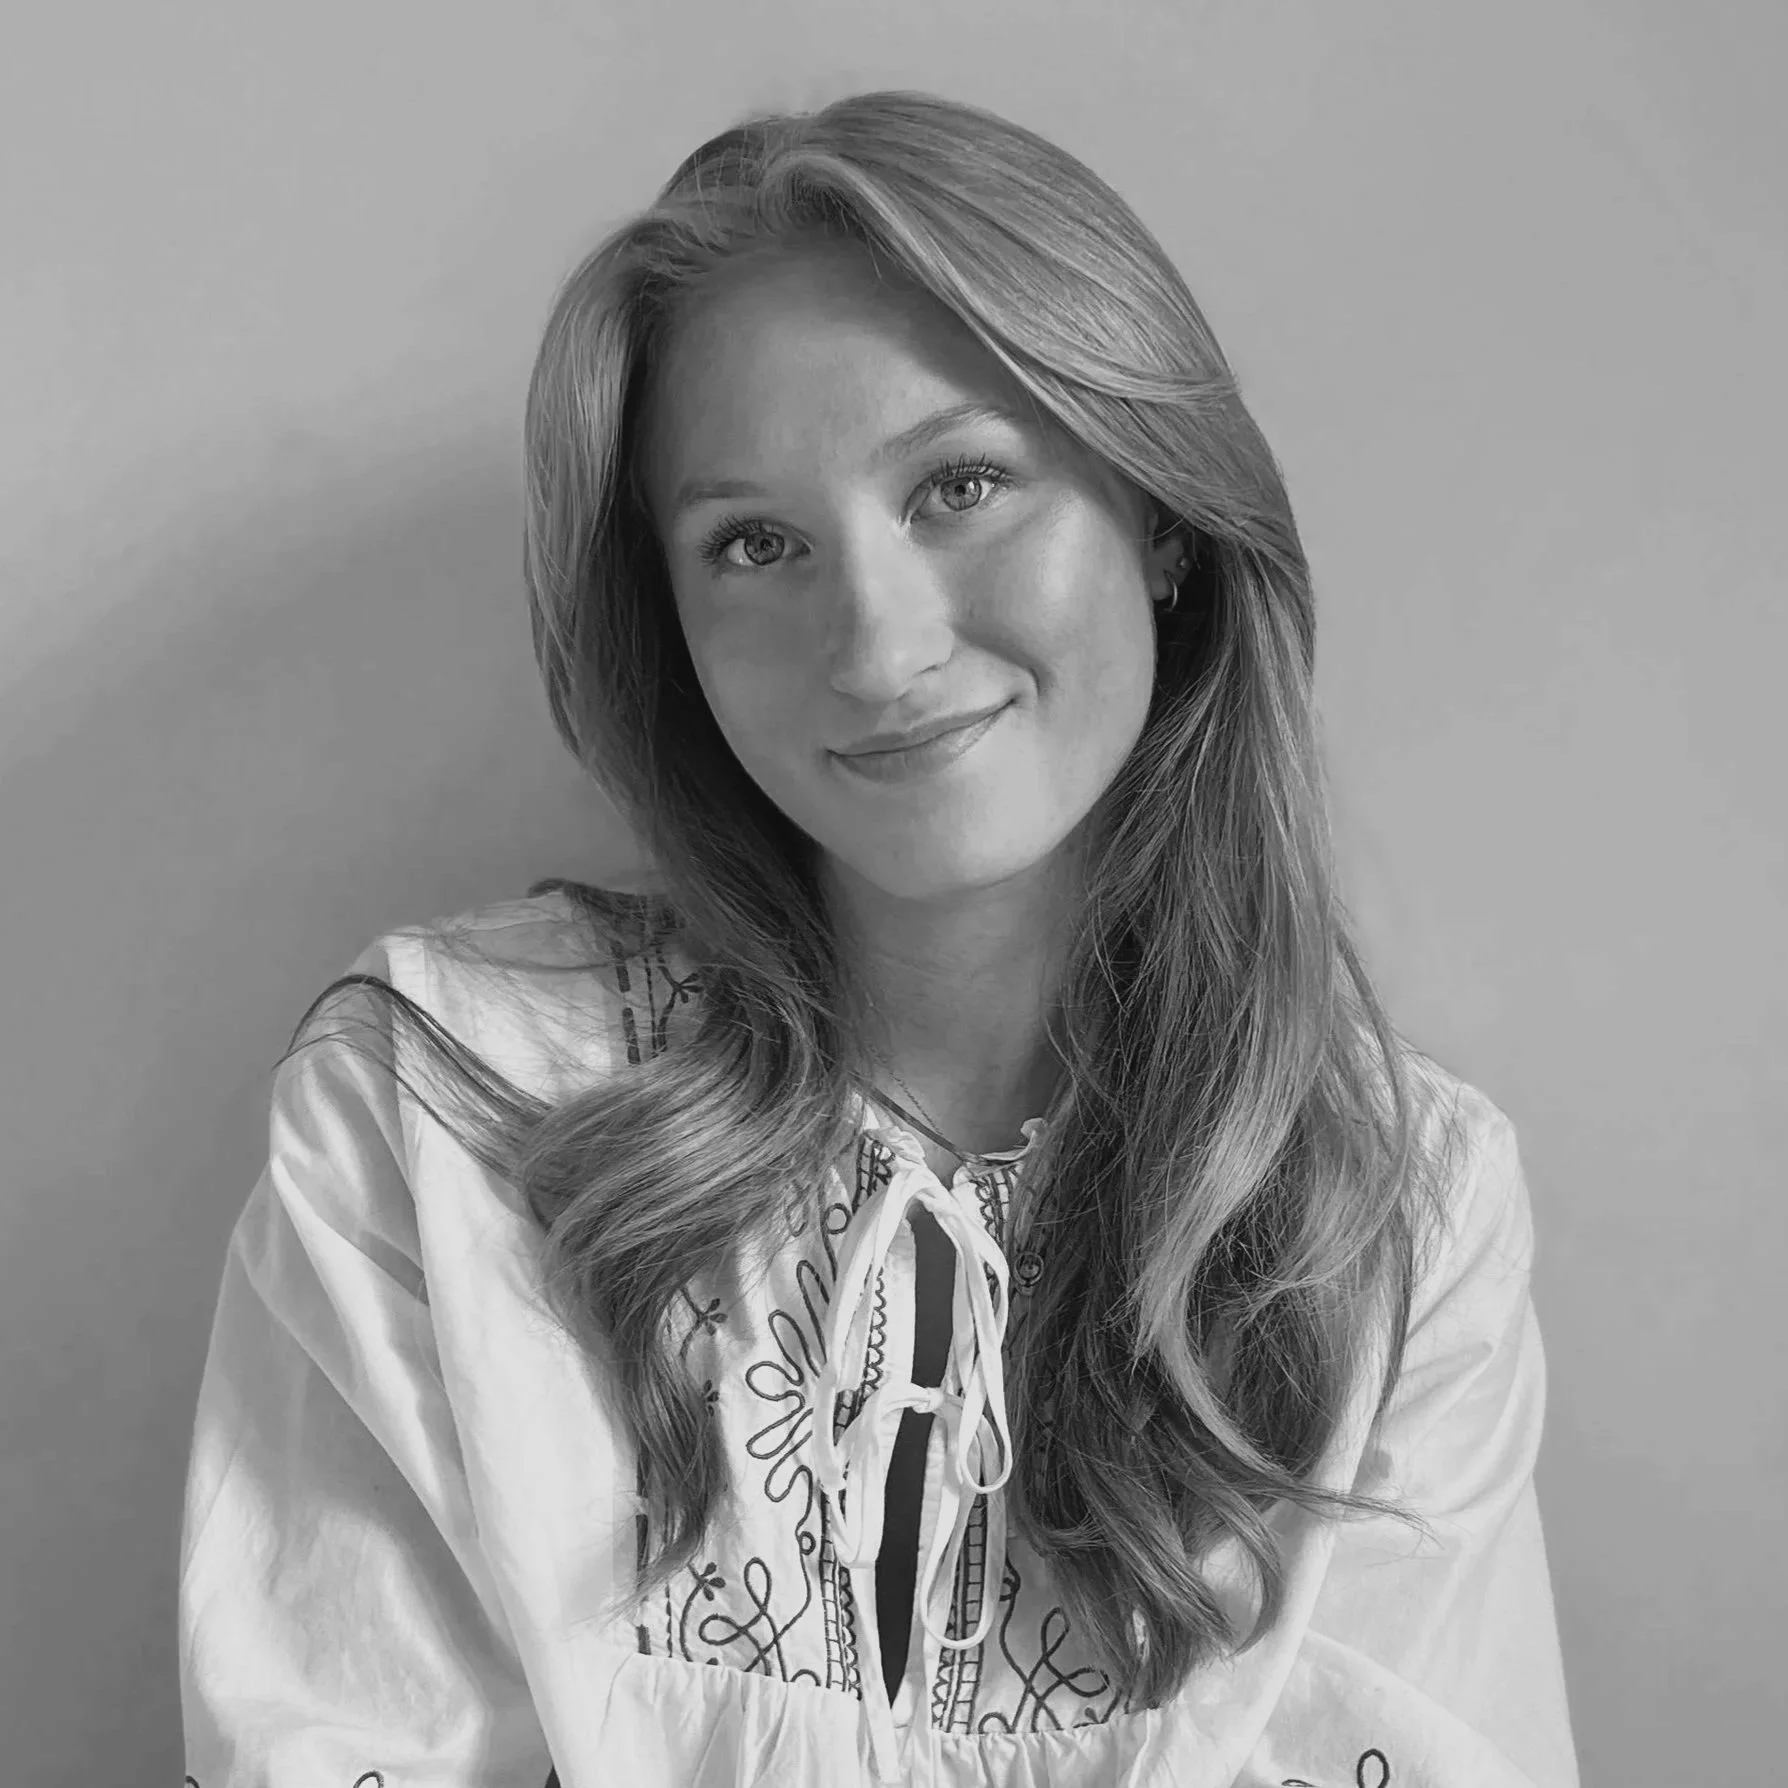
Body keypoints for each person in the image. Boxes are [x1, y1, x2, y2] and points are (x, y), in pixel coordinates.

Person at [176, 88, 1579, 1788]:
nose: (878, 647)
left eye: (962, 485)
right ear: (672, 628)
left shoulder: (1395, 1215)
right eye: (754, 544)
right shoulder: (446, 1112)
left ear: (1160, 516)